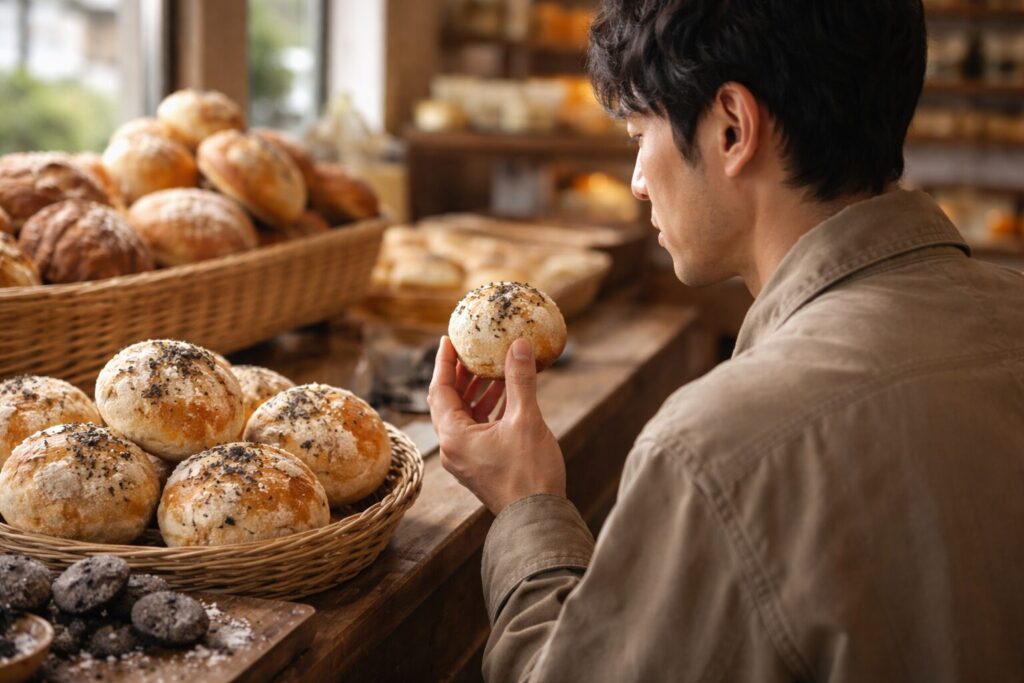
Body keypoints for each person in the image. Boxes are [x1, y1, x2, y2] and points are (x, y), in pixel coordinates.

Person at [428, 1, 1024, 680]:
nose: (637, 183)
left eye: (636, 135)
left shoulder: (717, 448)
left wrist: (527, 503)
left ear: (732, 128)